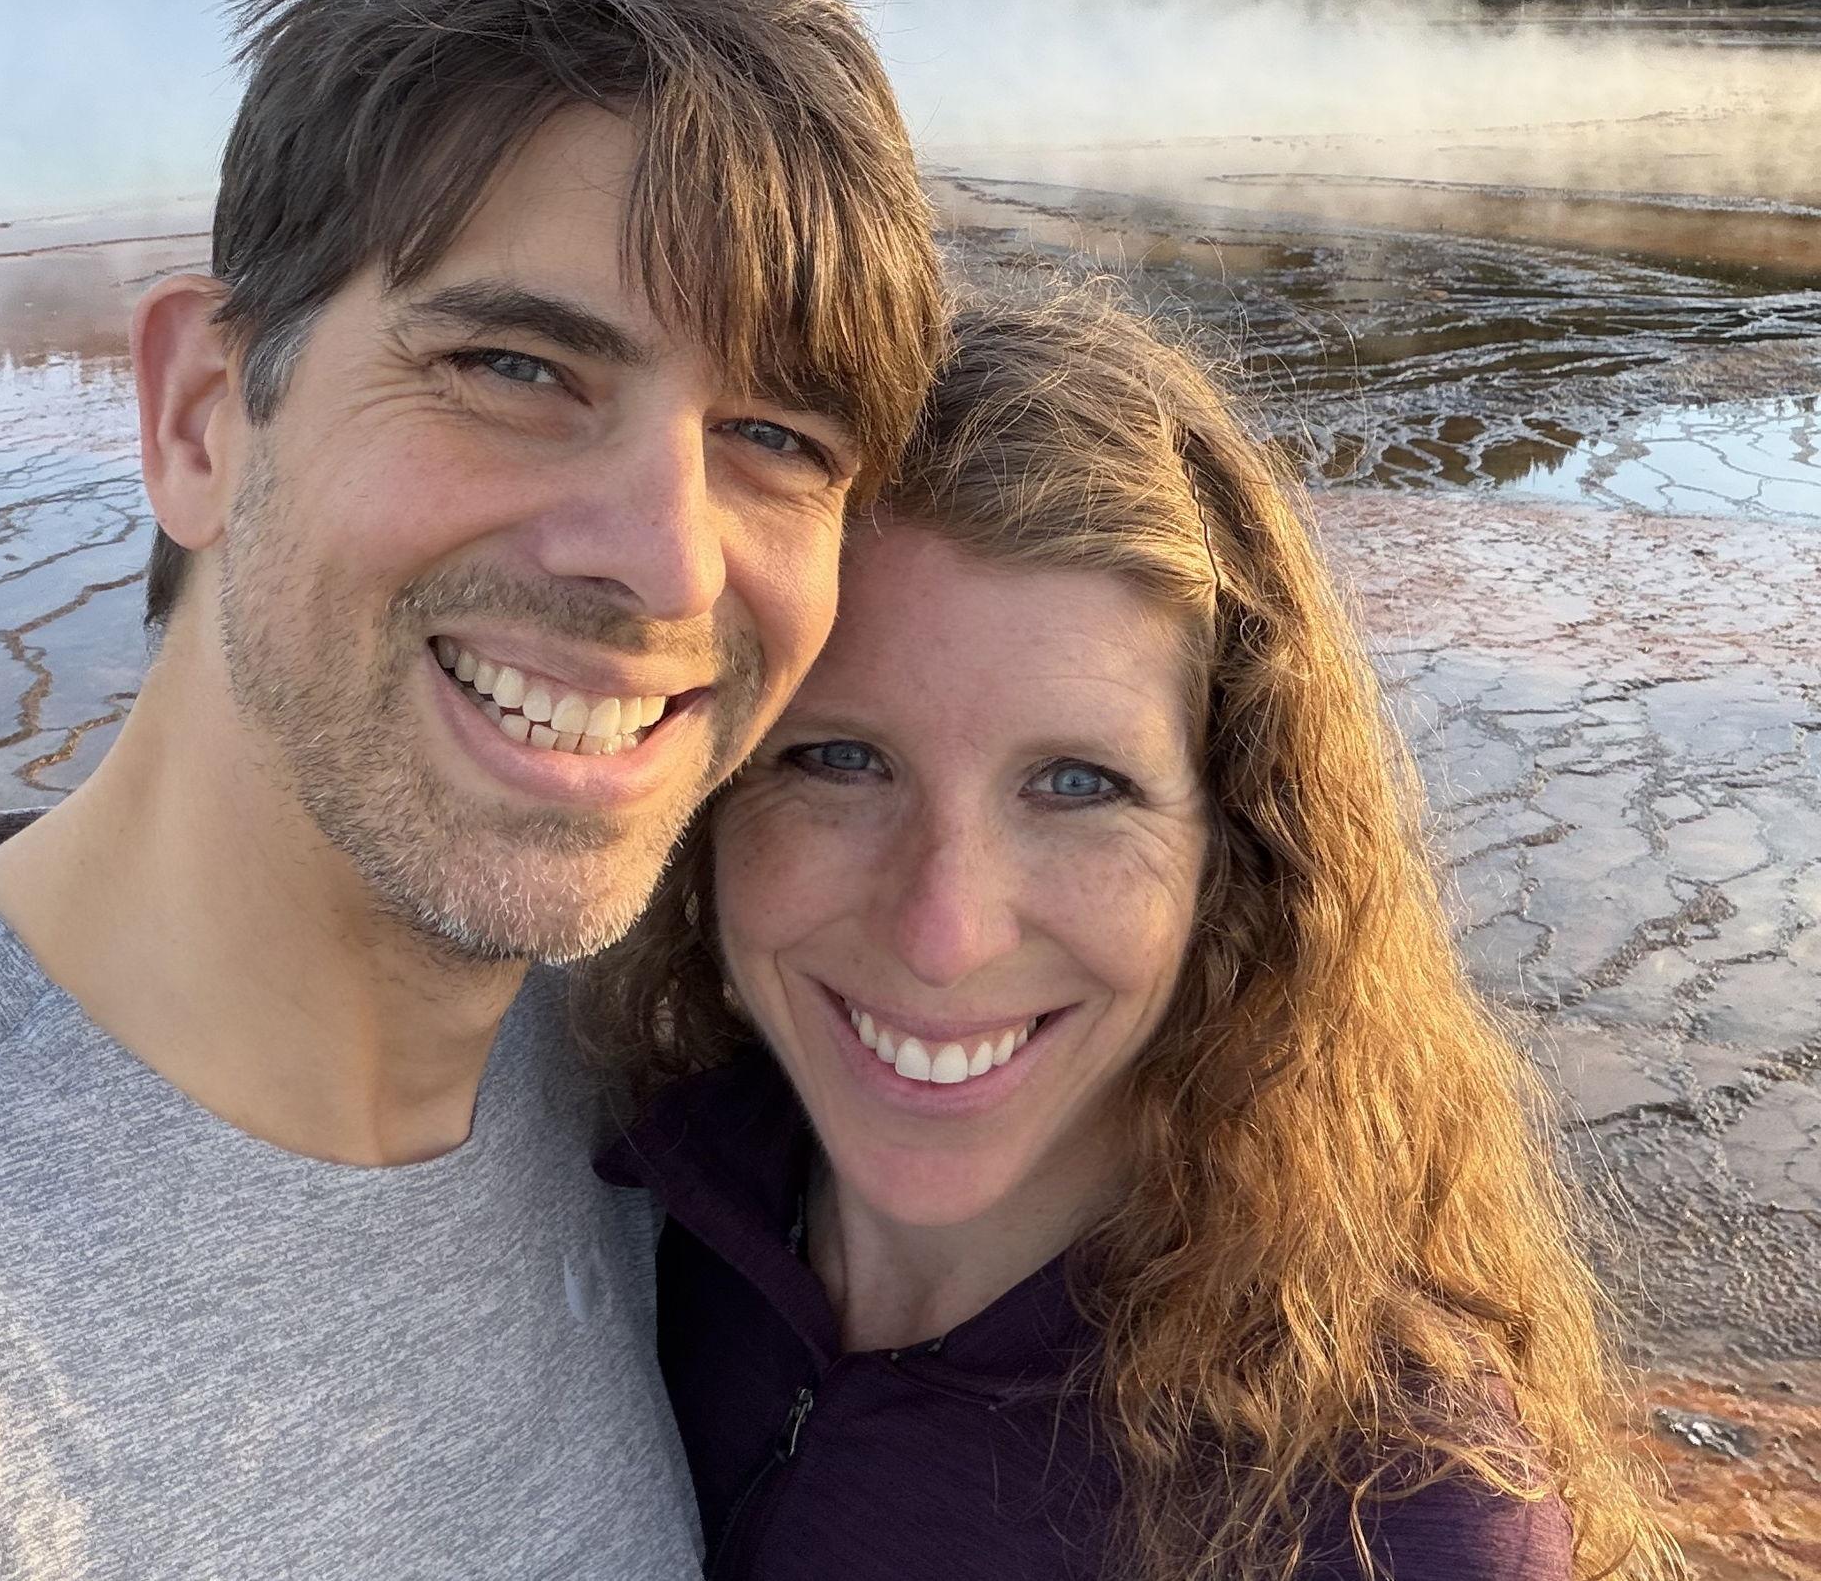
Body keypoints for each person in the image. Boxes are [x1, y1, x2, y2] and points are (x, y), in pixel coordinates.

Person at [0, 0, 944, 1578]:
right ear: (196, 416)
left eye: (774, 436)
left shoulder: (664, 1089)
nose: (668, 554)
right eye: (516, 369)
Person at [593, 276, 1680, 1580]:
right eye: (838, 761)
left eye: (1077, 786)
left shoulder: (1384, 1514)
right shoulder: (629, 1182)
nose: (945, 932)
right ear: (706, 791)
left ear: (1236, 850)